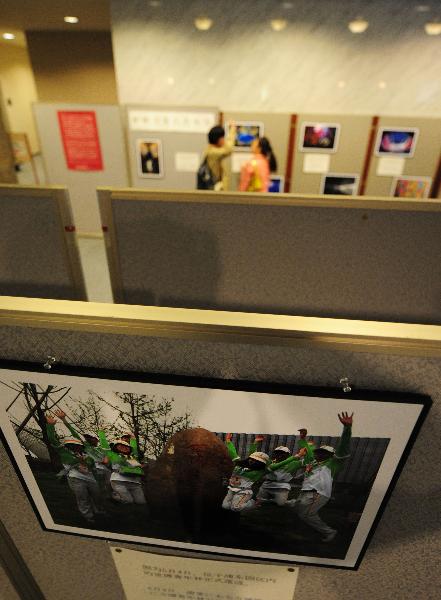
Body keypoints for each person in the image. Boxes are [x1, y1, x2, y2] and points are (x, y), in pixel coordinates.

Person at [291, 412, 353, 542]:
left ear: (331, 455)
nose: (319, 454)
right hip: (307, 492)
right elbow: (307, 453)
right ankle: (290, 504)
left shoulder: (333, 463)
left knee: (307, 515)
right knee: (298, 510)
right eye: (319, 452)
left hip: (319, 493)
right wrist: (302, 439)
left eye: (323, 453)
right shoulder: (313, 463)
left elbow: (343, 448)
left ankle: (330, 532)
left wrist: (347, 428)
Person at [45, 414, 104, 524]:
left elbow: (75, 434)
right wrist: (50, 426)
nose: (75, 447)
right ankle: (88, 517)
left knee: (97, 495)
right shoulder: (64, 452)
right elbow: (52, 439)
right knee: (82, 497)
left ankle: (99, 511)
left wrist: (64, 420)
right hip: (75, 478)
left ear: (81, 446)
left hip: (90, 478)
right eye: (71, 445)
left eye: (77, 445)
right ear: (68, 446)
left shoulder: (86, 452)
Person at [53, 409, 111, 497]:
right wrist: (64, 419)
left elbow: (107, 453)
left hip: (104, 468)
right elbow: (73, 431)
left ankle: (108, 495)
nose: (94, 440)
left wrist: (106, 459)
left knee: (108, 481)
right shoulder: (85, 446)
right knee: (95, 484)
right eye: (91, 438)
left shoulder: (100, 449)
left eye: (95, 438)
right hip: (91, 467)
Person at [256, 429, 314, 506]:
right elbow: (254, 457)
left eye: (282, 453)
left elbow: (309, 460)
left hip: (282, 487)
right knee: (258, 502)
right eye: (277, 453)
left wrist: (304, 443)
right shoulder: (269, 462)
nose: (279, 455)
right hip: (266, 484)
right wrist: (255, 443)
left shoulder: (294, 463)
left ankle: (291, 502)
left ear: (288, 455)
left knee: (281, 504)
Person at [222, 433, 269, 512]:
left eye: (256, 461)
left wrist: (296, 457)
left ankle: (254, 503)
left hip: (243, 491)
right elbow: (232, 452)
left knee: (235, 508)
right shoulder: (239, 464)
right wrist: (228, 441)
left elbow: (273, 466)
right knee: (225, 506)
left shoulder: (259, 472)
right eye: (251, 459)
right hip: (231, 489)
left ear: (261, 464)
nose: (252, 461)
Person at [103, 438, 147, 505]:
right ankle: (115, 496)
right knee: (129, 501)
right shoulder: (112, 455)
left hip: (135, 482)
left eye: (126, 446)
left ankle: (137, 512)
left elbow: (134, 447)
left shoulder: (133, 457)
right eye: (120, 446)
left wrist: (132, 438)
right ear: (115, 448)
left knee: (141, 502)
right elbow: (104, 446)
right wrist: (101, 432)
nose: (124, 448)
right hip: (118, 480)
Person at [201, 124, 236, 191]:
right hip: (214, 189)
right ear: (218, 139)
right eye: (223, 138)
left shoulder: (211, 150)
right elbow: (229, 149)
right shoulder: (213, 152)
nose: (224, 140)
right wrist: (232, 130)